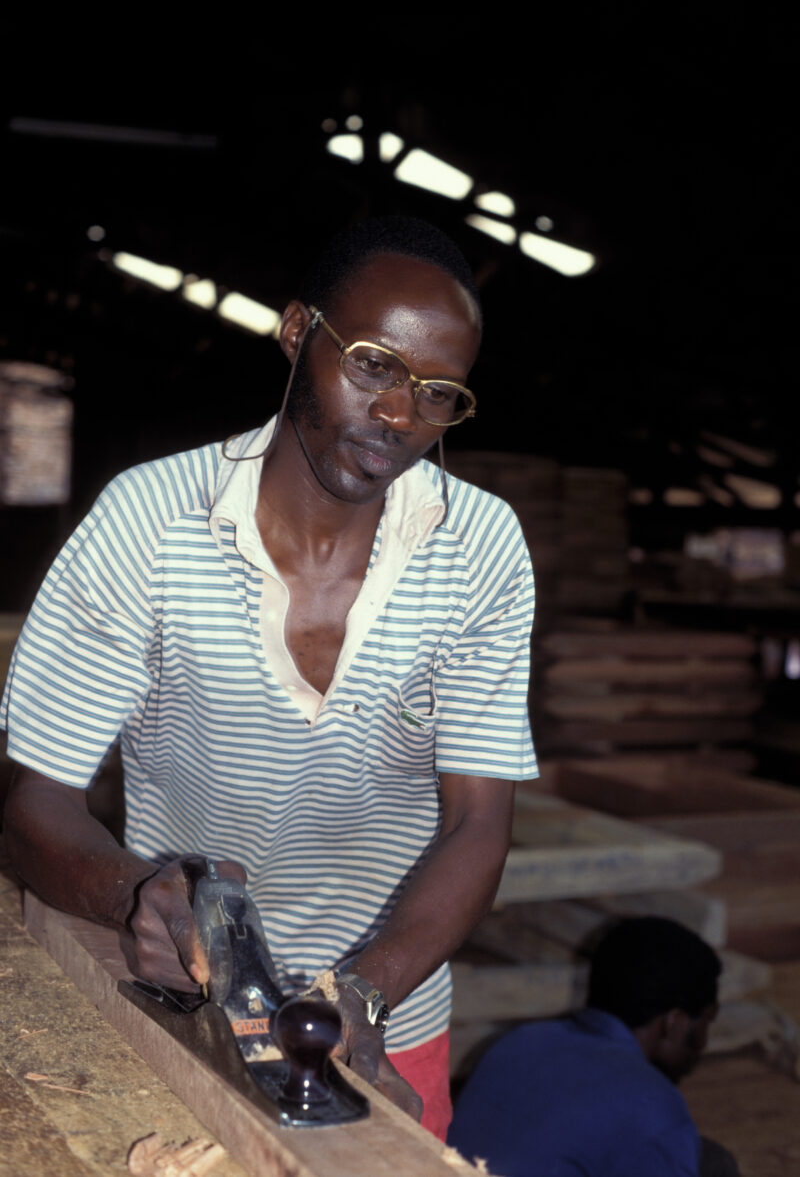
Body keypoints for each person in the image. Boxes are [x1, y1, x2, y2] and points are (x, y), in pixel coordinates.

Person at [1, 216, 537, 1139]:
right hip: (182, 1009)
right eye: (374, 366)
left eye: (439, 394)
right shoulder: (149, 523)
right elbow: (30, 802)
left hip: (386, 1026)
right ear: (297, 332)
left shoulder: (480, 548)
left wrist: (364, 993)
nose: (400, 416)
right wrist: (134, 896)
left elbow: (478, 823)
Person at [449, 916, 739, 1176]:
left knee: (705, 1157)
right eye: (706, 1021)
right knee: (715, 1166)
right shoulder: (653, 1106)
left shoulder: (518, 1042)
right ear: (675, 1023)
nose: (703, 1043)